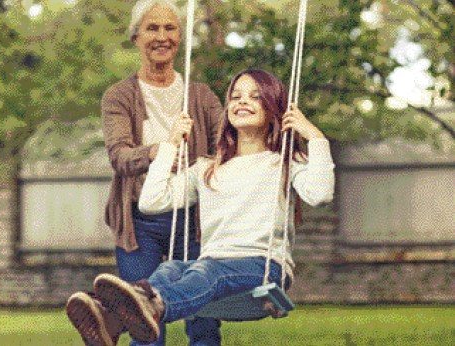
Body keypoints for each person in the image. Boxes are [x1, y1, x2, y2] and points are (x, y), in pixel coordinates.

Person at [89, 68, 336, 344]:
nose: (242, 102)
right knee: (171, 269)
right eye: (236, 96)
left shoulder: (286, 161)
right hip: (213, 267)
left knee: (206, 271)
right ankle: (111, 318)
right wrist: (170, 144)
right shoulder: (207, 168)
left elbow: (321, 193)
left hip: (262, 268)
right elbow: (151, 202)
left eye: (256, 97)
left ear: (275, 110)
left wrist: (315, 137)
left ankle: (153, 307)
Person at [65, 1, 223, 346]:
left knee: (203, 322)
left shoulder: (202, 96)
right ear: (136, 36)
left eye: (170, 28)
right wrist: (159, 150)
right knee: (144, 324)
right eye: (152, 28)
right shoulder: (119, 96)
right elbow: (120, 157)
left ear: (180, 37)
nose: (162, 37)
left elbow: (224, 150)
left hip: (193, 219)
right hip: (140, 221)